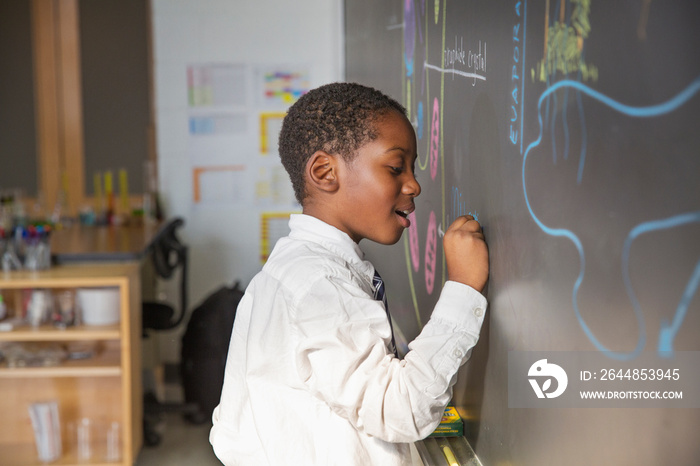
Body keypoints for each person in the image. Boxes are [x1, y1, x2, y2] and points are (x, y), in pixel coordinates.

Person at [210, 82, 489, 465]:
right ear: (325, 172)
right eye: (395, 167)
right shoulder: (319, 288)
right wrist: (462, 288)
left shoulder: (293, 271)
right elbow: (400, 410)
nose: (414, 184)